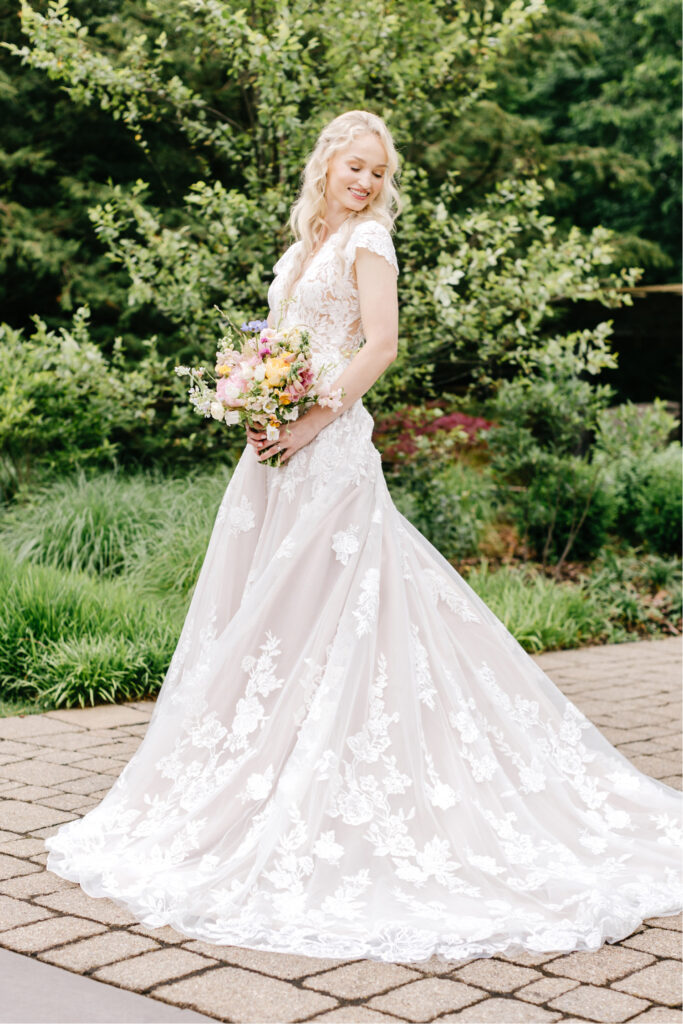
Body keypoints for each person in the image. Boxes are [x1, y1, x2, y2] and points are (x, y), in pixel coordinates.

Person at [46, 110, 682, 965]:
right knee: (271, 620)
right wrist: (253, 397)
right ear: (326, 167)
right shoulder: (307, 243)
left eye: (378, 171)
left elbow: (379, 343)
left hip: (329, 453)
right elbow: (282, 341)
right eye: (355, 167)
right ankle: (265, 763)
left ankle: (339, 773)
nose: (366, 182)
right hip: (275, 455)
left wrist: (306, 421)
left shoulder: (368, 242)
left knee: (334, 607)